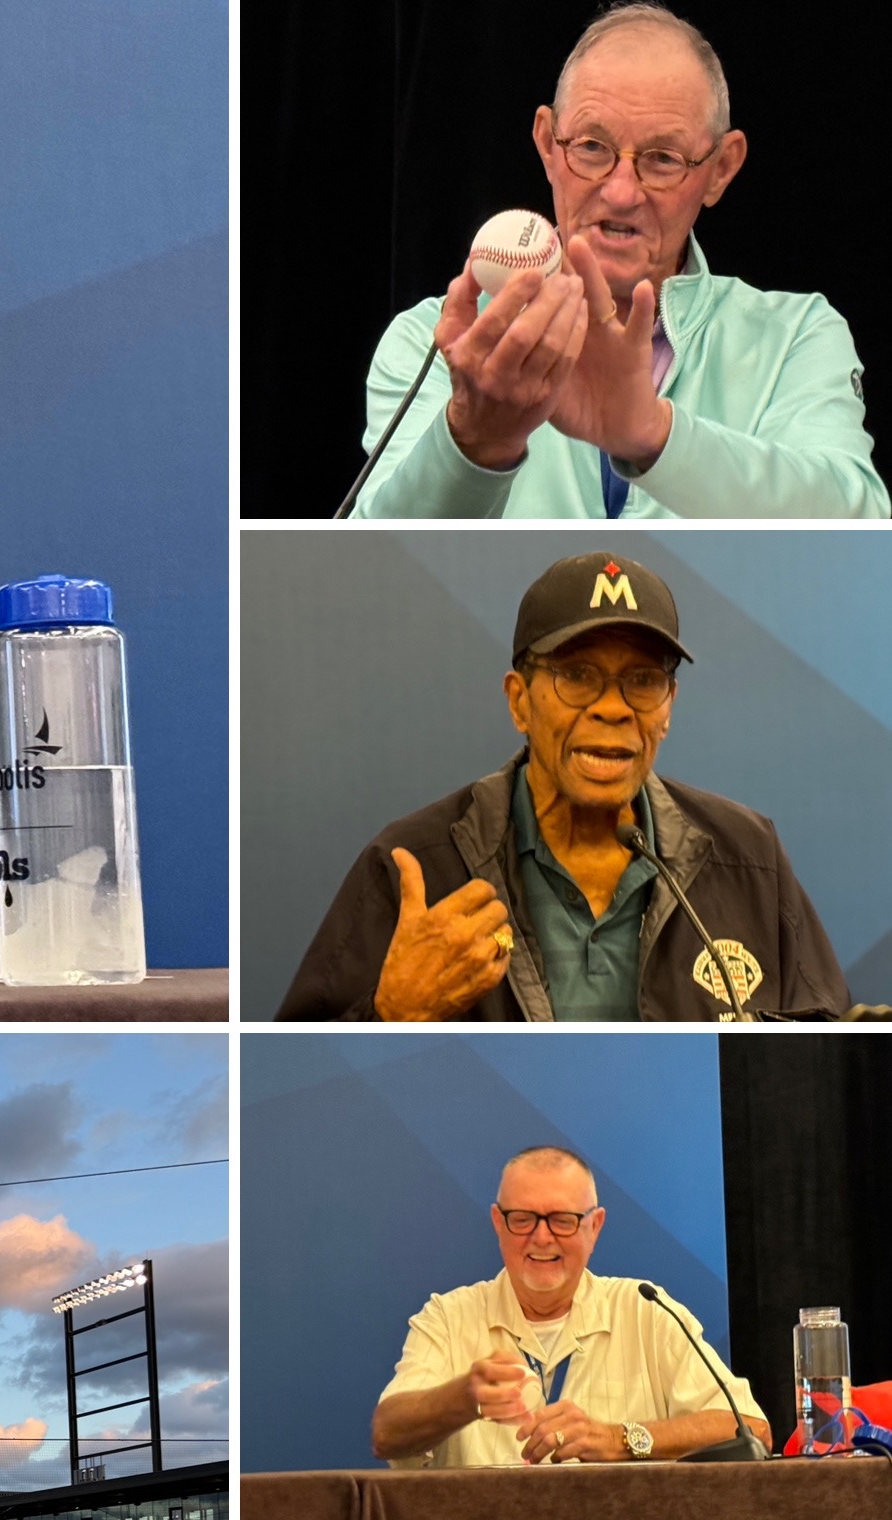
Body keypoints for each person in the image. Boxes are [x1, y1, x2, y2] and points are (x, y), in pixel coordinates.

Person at [348, 5, 886, 520]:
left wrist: (655, 435)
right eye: (590, 146)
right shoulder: (439, 343)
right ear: (546, 144)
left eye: (662, 159)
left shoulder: (795, 337)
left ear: (721, 169)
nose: (622, 192)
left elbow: (857, 535)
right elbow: (378, 580)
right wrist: (474, 440)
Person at [277, 552, 848, 1022]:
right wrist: (392, 1015)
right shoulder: (417, 867)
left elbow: (828, 1037)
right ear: (519, 700)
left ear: (669, 707)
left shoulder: (748, 854)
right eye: (577, 676)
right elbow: (298, 1049)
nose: (612, 709)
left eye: (643, 681)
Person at [372, 1144, 770, 1469]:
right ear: (498, 1223)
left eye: (562, 1220)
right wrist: (463, 1398)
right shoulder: (447, 1317)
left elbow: (751, 1430)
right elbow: (387, 1435)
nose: (542, 1238)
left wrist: (620, 1439)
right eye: (523, 1219)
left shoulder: (646, 1311)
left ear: (594, 1227)